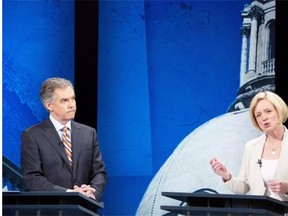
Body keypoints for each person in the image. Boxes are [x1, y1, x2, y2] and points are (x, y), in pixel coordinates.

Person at [21, 77, 107, 201]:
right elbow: (32, 178)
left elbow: (99, 172)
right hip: (51, 209)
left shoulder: (89, 133)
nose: (72, 105)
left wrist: (92, 192)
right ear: (49, 105)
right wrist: (69, 193)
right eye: (64, 100)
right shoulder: (32, 135)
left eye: (73, 98)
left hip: (85, 208)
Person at [210, 91, 288, 201]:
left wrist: (287, 188)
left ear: (279, 111)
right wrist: (227, 176)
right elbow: (243, 188)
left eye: (268, 111)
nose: (264, 118)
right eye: (258, 115)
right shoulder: (251, 147)